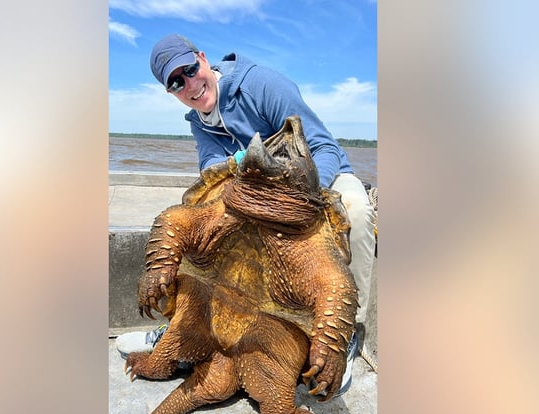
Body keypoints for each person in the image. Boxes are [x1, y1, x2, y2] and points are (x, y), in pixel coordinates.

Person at [119, 34, 376, 395]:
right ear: (169, 90)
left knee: (359, 211)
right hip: (250, 195)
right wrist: (234, 178)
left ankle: (347, 332)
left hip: (311, 183)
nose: (190, 85)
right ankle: (182, 323)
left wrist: (304, 195)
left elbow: (322, 145)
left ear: (203, 59)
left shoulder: (261, 85)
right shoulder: (199, 119)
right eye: (176, 82)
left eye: (190, 70)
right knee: (193, 214)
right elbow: (210, 168)